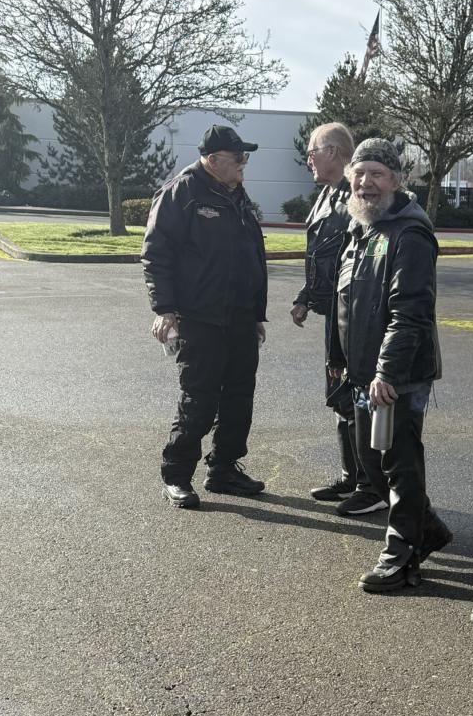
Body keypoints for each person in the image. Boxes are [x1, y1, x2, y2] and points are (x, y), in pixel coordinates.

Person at [328, 138, 452, 592]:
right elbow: (345, 302)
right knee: (372, 463)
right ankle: (427, 529)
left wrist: (388, 373)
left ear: (397, 181)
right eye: (359, 174)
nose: (366, 183)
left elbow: (410, 312)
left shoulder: (409, 234)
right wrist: (339, 358)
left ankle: (402, 556)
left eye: (377, 174)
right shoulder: (362, 229)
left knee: (398, 463)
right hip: (363, 372)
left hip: (398, 374)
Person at [142, 125, 268, 509]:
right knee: (199, 399)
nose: (244, 164)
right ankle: (176, 475)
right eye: (238, 157)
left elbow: (251, 256)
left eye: (246, 157)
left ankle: (224, 469)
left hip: (240, 317)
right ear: (213, 160)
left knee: (239, 398)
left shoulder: (236, 194)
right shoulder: (181, 193)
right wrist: (164, 309)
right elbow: (156, 254)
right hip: (200, 317)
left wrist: (256, 313)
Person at [290, 122, 384, 517]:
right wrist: (305, 297)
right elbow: (322, 257)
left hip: (354, 315)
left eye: (313, 151)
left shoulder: (357, 197)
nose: (308, 159)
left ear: (332, 152)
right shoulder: (328, 194)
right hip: (334, 310)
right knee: (340, 396)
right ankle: (352, 475)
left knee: (355, 394)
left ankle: (372, 485)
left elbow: (358, 263)